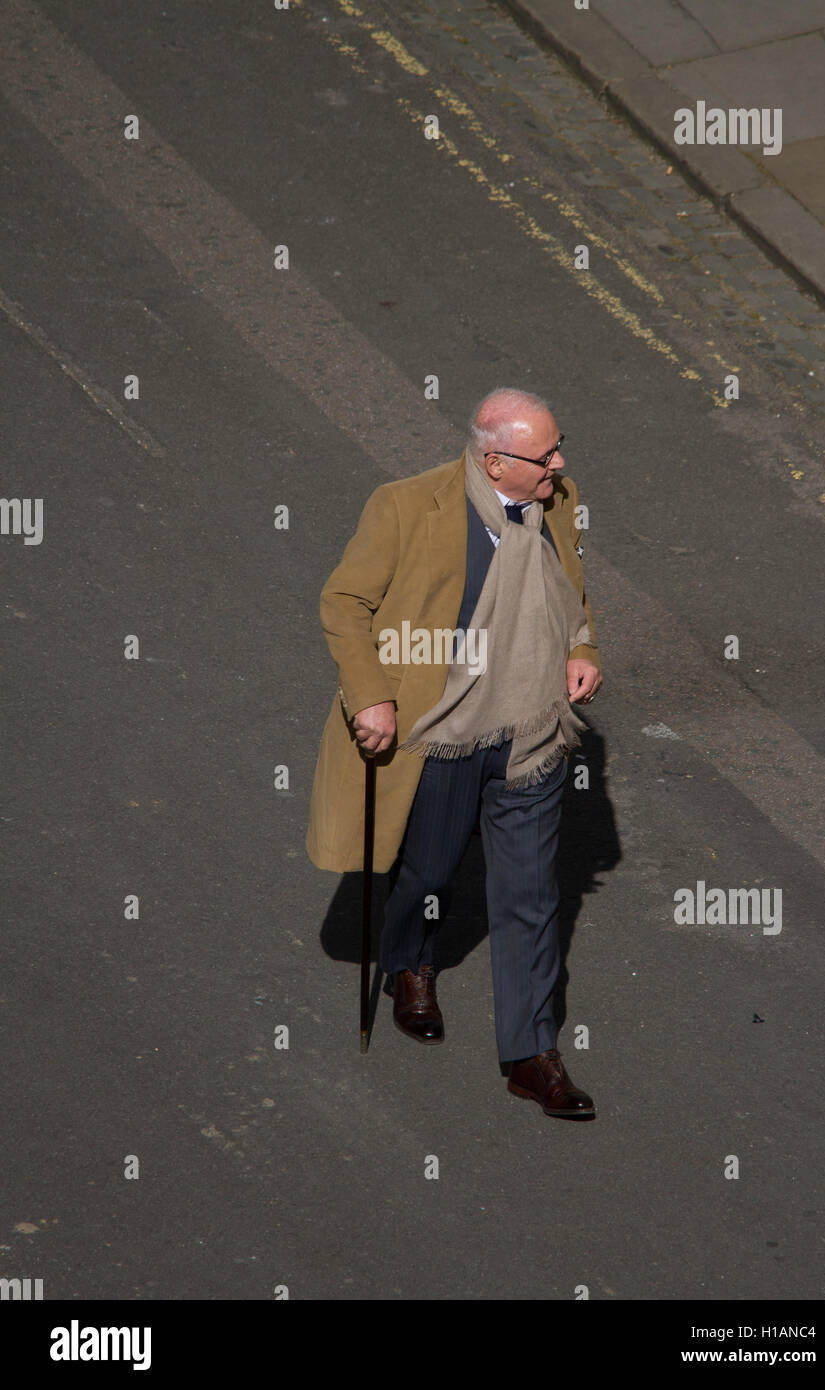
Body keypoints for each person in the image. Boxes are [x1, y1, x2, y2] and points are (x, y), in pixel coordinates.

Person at [307, 388, 602, 1118]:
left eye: (559, 448)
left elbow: (571, 590)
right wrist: (370, 694)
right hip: (446, 729)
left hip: (532, 729)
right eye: (546, 454)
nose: (560, 465)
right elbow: (345, 602)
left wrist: (582, 647)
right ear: (494, 460)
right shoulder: (406, 506)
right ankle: (408, 961)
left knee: (532, 896)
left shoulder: (554, 499)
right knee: (430, 867)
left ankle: (532, 1055)